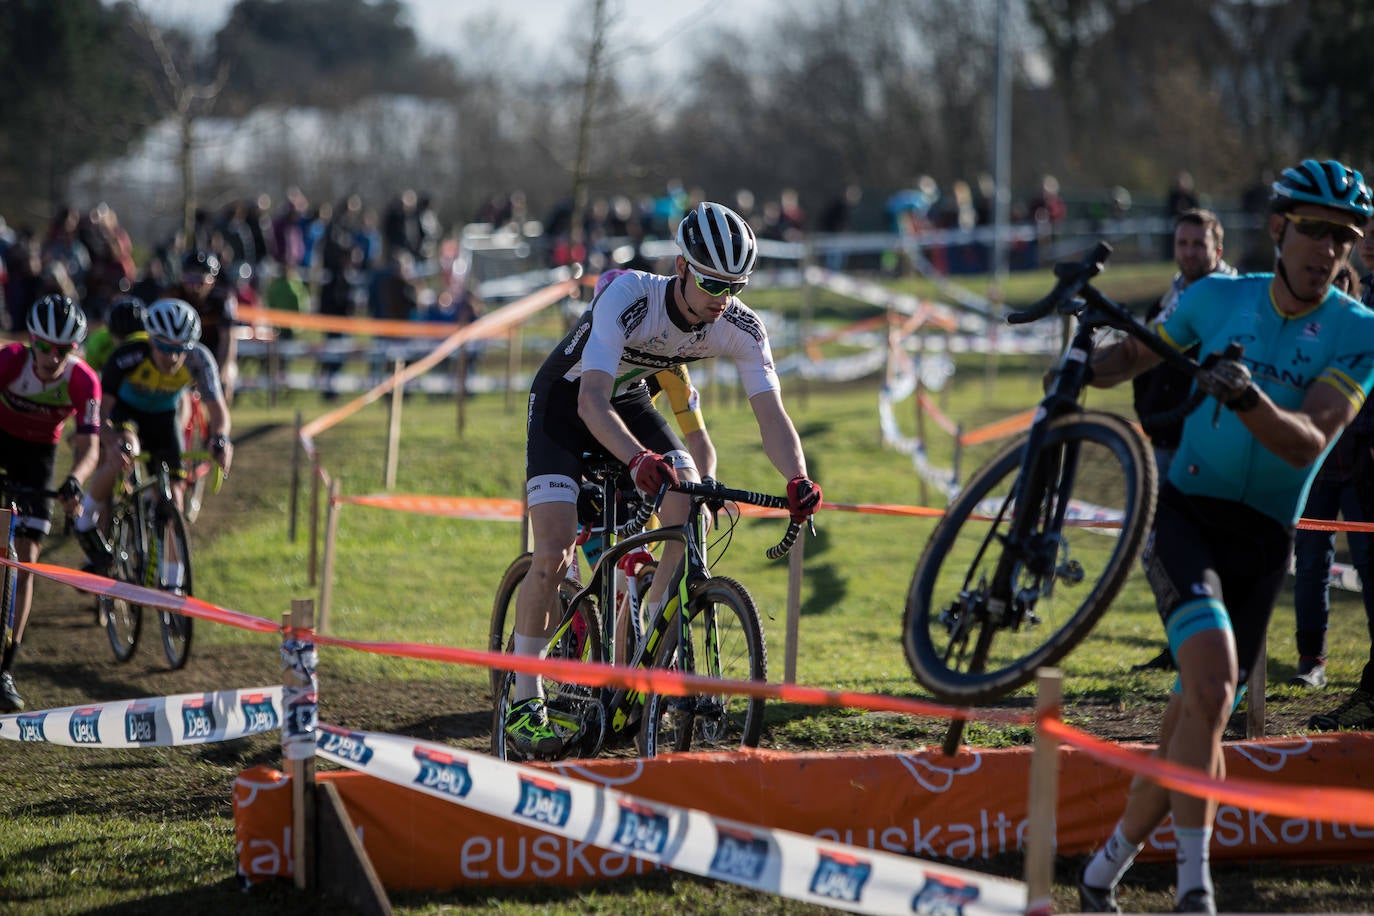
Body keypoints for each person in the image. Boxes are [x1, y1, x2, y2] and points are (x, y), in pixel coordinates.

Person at [1072, 159, 1374, 915]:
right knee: (1210, 686)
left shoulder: (1359, 332)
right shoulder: (1216, 297)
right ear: (1278, 228)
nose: (1325, 249)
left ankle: (1103, 869)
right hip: (1187, 515)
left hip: (1263, 542)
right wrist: (1083, 356)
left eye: (1342, 237)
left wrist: (1245, 398)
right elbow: (1132, 359)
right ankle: (1195, 892)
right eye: (1313, 229)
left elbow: (1309, 442)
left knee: (1190, 718)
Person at [504, 202, 822, 756]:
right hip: (567, 400)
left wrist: (797, 477)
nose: (720, 300)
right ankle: (525, 698)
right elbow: (590, 401)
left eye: (734, 286)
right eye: (709, 283)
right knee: (553, 551)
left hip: (627, 401)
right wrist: (634, 460)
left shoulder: (741, 326)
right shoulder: (630, 297)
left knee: (689, 493)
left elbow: (771, 415)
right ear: (681, 266)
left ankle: (653, 638)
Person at [1130, 209, 1237, 673]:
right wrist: (1148, 415)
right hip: (1164, 437)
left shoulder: (1233, 301)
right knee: (1157, 549)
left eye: (1199, 244)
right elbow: (1141, 363)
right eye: (1183, 243)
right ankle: (1181, 643)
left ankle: (1216, 648)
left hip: (1213, 445)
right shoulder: (1166, 302)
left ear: (1219, 249)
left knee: (1210, 549)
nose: (1190, 252)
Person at [73, 298, 233, 574]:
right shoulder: (127, 354)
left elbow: (219, 412)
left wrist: (220, 438)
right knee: (126, 449)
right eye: (163, 347)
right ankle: (86, 519)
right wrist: (112, 441)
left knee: (175, 495)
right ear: (150, 340)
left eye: (179, 350)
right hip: (126, 413)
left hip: (164, 417)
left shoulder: (199, 358)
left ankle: (172, 580)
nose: (171, 357)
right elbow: (101, 413)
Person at [0, 295, 102, 711]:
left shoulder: (83, 381)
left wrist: (75, 481)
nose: (53, 357)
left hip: (40, 455)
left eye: (64, 350)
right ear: (31, 341)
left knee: (27, 564)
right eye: (45, 347)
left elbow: (91, 445)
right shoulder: (8, 361)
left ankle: (6, 665)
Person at [1307, 223, 1374, 727]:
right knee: (1310, 562)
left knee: (1372, 572)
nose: (1369, 242)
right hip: (1323, 459)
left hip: (1363, 462)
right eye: (1365, 234)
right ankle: (1315, 663)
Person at [166, 249, 237, 403]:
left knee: (226, 379)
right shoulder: (174, 295)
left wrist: (223, 368)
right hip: (183, 350)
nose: (194, 287)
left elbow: (228, 337)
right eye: (189, 280)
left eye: (200, 281)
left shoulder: (223, 298)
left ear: (212, 280)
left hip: (214, 350)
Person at [83, 294, 147, 373]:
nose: (126, 345)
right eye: (121, 338)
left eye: (132, 339)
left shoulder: (151, 344)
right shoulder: (97, 344)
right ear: (109, 332)